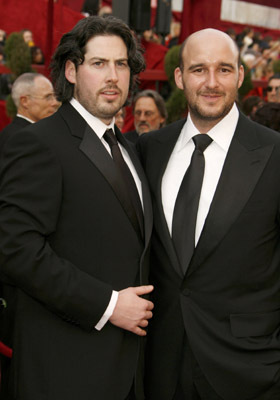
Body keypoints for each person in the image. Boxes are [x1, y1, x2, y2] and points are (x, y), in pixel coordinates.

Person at [0, 15, 153, 400]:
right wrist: (108, 304)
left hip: (126, 369)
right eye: (99, 64)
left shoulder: (128, 148)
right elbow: (15, 248)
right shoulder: (40, 143)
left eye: (121, 64)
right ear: (71, 70)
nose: (113, 76)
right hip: (63, 366)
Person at [138, 28, 280, 400]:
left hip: (249, 371)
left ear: (241, 75)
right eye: (199, 70)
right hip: (158, 366)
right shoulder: (149, 149)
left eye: (224, 69)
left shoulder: (275, 154)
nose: (212, 83)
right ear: (180, 77)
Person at [0, 72, 59, 143]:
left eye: (54, 96)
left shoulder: (37, 131)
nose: (55, 103)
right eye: (48, 97)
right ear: (25, 101)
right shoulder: (21, 137)